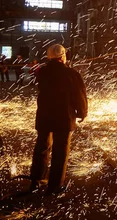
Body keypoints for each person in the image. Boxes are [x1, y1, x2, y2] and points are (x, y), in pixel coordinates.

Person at [29, 44, 88, 195]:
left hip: (44, 116)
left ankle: (37, 180)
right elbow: (79, 95)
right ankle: (55, 186)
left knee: (41, 149)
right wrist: (82, 112)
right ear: (62, 57)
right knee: (60, 151)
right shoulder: (71, 74)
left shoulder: (42, 73)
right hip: (64, 117)